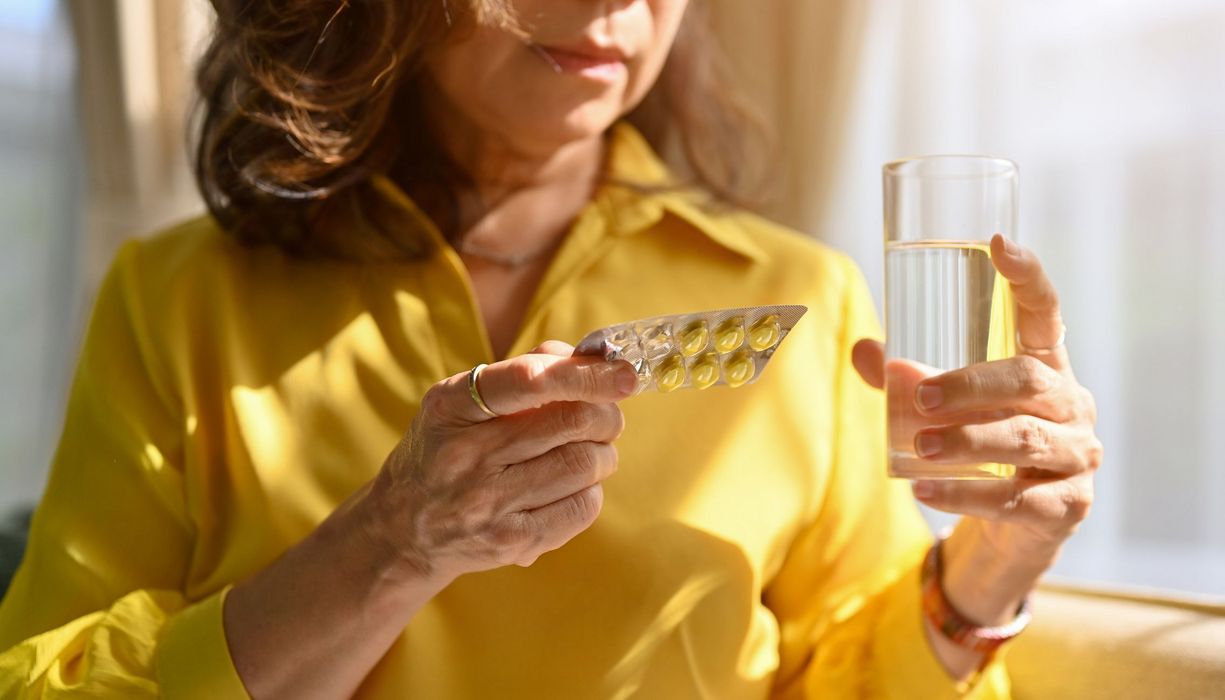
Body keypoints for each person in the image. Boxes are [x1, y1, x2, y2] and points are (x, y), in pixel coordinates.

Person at [0, 1, 1102, 697]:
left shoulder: (799, 296)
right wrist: (387, 546)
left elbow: (843, 680)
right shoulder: (175, 298)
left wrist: (992, 566)